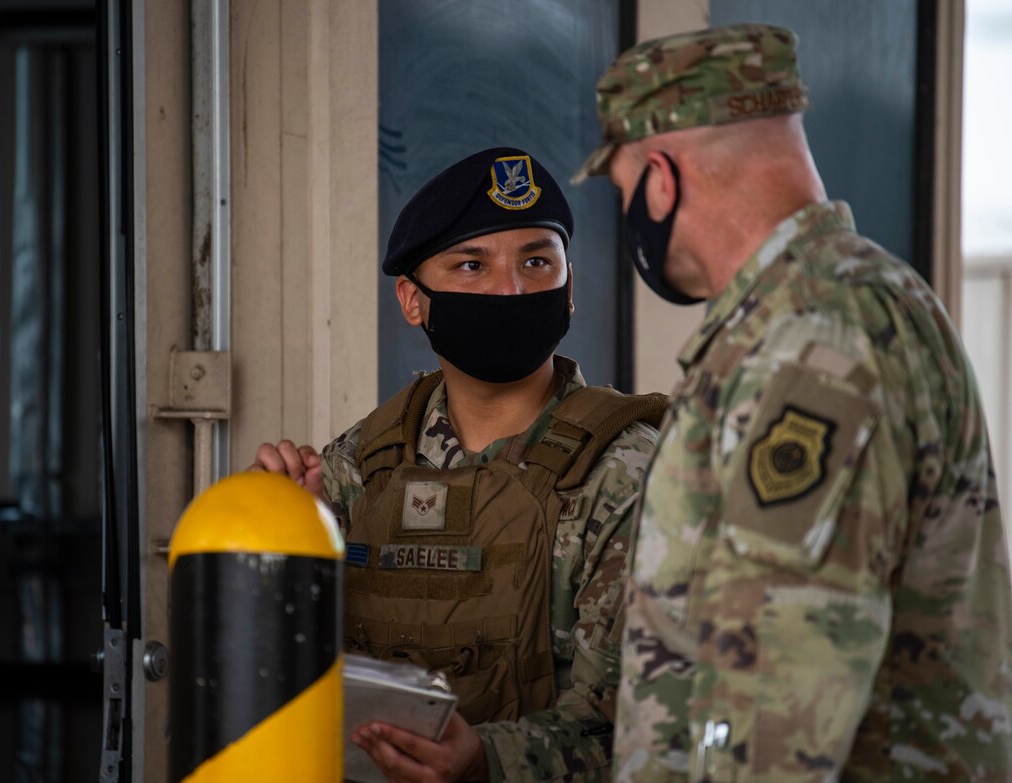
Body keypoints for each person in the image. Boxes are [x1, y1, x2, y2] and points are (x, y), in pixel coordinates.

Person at [571, 23, 1012, 782]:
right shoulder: (823, 310)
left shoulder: (815, 335)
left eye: (623, 190)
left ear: (662, 179)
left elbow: (777, 690)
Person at [251, 147, 668, 782]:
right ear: (412, 301)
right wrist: (281, 546)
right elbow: (281, 683)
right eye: (472, 265)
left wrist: (484, 760)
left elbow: (637, 728)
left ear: (570, 288)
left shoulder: (627, 471)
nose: (511, 289)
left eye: (536, 261)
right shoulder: (359, 463)